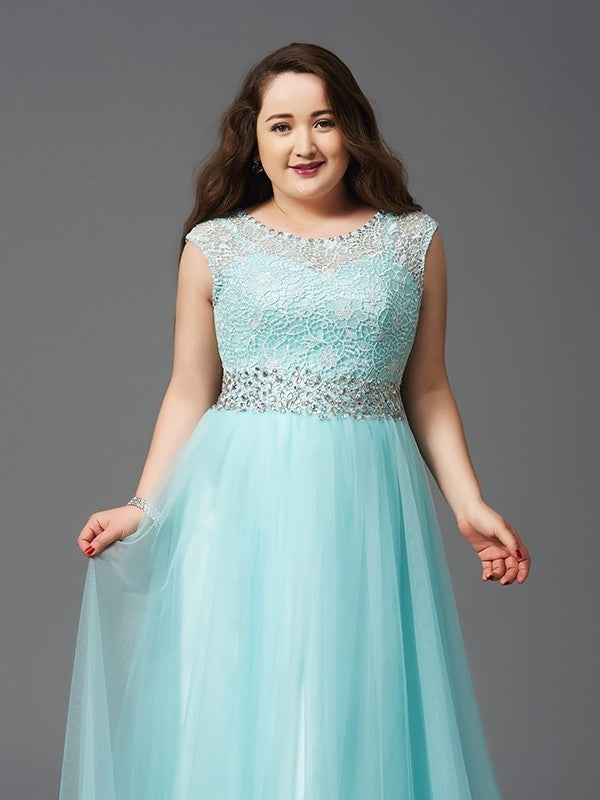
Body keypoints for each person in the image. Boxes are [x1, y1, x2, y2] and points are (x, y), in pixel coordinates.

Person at [58, 41, 531, 799]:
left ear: (352, 130)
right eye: (280, 126)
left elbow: (428, 387)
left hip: (365, 504)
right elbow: (188, 391)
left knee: (354, 703)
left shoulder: (413, 240)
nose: (303, 144)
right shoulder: (214, 246)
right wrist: (144, 506)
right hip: (237, 505)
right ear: (253, 140)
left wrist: (469, 504)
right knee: (244, 701)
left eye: (323, 121)